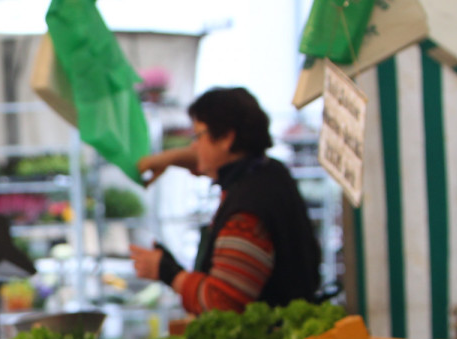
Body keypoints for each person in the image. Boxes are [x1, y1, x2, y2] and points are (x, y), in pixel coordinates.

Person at [129, 87, 322, 314]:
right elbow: (208, 161)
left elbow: (221, 303)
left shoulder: (246, 215)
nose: (193, 146)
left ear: (227, 138)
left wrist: (168, 273)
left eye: (198, 136)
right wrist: (167, 159)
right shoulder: (269, 170)